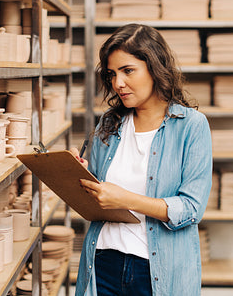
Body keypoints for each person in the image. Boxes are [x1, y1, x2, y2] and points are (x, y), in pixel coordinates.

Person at [70, 23, 212, 296]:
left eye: (128, 71)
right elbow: (98, 201)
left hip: (156, 270)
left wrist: (125, 199)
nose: (117, 83)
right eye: (112, 74)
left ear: (155, 67)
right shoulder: (108, 124)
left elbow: (191, 208)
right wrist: (80, 177)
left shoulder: (191, 126)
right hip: (103, 261)